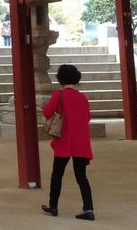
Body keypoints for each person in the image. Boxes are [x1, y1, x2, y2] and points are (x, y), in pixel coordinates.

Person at [41, 64, 95, 221]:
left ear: (60, 79)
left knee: (57, 174)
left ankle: (53, 205)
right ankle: (88, 208)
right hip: (81, 141)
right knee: (81, 177)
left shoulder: (59, 95)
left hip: (64, 140)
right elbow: (87, 118)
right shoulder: (82, 97)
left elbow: (47, 113)